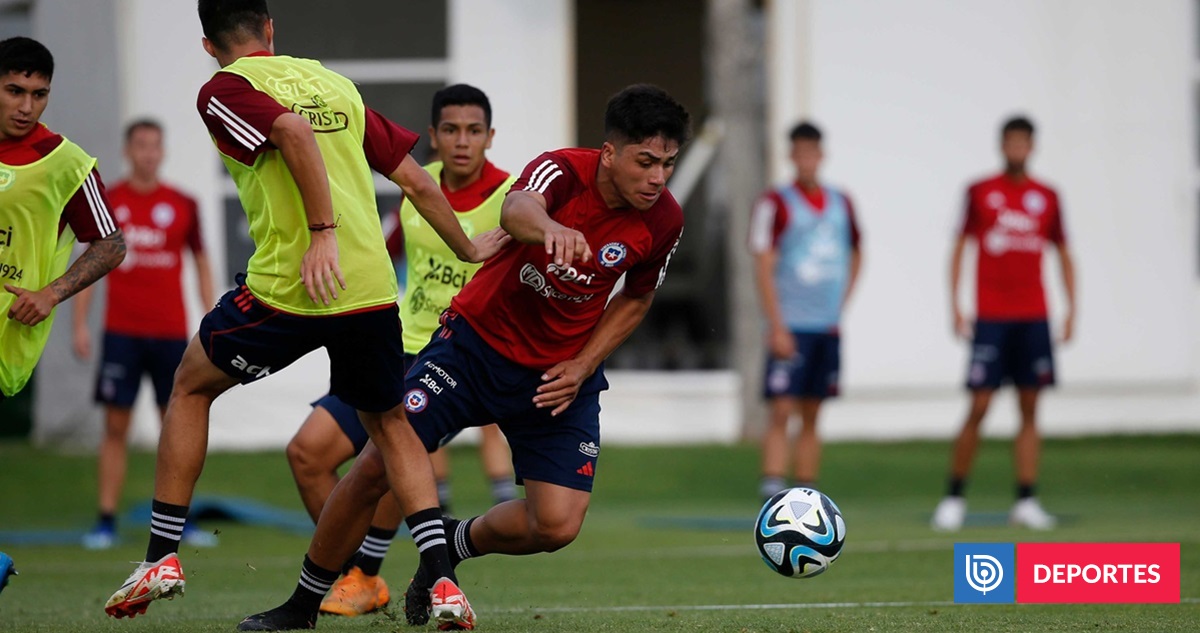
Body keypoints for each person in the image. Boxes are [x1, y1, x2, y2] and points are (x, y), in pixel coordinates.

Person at [103, 1, 507, 626]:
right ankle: (444, 581)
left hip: (294, 285)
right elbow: (416, 181)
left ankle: (162, 557)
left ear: (209, 45)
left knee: (190, 384)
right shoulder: (334, 84)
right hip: (369, 288)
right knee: (391, 425)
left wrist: (321, 232)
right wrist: (467, 246)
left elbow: (290, 132)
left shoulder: (224, 88)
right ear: (271, 29)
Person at [241, 83, 689, 631]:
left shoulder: (664, 219)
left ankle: (453, 544)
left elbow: (637, 298)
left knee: (556, 526)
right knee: (372, 468)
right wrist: (551, 229)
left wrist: (583, 365)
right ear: (610, 152)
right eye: (646, 162)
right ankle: (302, 606)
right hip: (473, 348)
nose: (657, 178)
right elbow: (519, 208)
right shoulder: (562, 171)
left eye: (667, 164)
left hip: (556, 375)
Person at [285, 83, 517, 618]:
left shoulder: (511, 200)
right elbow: (384, 248)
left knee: (392, 455)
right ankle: (355, 574)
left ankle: (365, 571)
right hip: (395, 347)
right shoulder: (418, 187)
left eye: (474, 131)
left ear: (490, 137)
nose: (463, 141)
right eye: (452, 130)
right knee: (307, 454)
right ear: (432, 136)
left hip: (454, 358)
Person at [73, 119, 216, 550]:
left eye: (155, 145)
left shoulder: (184, 203)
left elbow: (202, 261)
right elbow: (90, 265)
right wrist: (80, 323)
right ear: (128, 150)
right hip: (122, 332)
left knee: (176, 427)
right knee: (115, 427)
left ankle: (179, 522)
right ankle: (106, 521)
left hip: (172, 334)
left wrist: (211, 319)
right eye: (141, 145)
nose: (148, 153)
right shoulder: (109, 200)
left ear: (163, 151)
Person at [930, 115, 1076, 531]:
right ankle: (953, 497)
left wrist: (1071, 309)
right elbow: (959, 247)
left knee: (1030, 409)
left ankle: (1027, 500)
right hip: (992, 316)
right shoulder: (979, 192)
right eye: (1010, 142)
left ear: (1032, 147)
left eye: (1023, 143)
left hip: (1034, 316)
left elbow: (1064, 252)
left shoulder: (1047, 196)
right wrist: (955, 304)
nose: (1016, 149)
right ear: (1001, 146)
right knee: (979, 405)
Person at [0, 36, 125, 401]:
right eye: (15, 91)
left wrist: (50, 294)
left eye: (39, 94)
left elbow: (112, 244)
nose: (27, 106)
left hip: (9, 327)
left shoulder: (64, 162)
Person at [749, 121, 862, 501]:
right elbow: (763, 262)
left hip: (825, 327)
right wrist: (776, 324)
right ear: (792, 156)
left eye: (812, 152)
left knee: (814, 412)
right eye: (800, 153)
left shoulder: (841, 202)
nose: (807, 160)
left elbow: (857, 251)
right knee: (782, 409)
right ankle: (773, 488)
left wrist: (841, 301)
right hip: (790, 325)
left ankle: (807, 491)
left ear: (821, 155)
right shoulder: (776, 203)